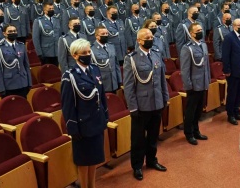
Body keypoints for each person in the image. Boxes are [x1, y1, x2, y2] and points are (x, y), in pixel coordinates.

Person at [60, 39, 109, 188]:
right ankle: (84, 186)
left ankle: (92, 185)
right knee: (83, 161)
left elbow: (101, 95)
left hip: (97, 122)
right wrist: (73, 128)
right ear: (75, 56)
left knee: (94, 158)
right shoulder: (70, 76)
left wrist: (105, 116)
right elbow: (67, 106)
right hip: (83, 126)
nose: (88, 55)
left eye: (89, 52)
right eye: (84, 53)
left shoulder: (95, 69)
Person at [123, 28, 169, 181]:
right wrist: (133, 107)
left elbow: (162, 80)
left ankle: (151, 160)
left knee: (153, 136)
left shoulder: (156, 54)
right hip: (141, 105)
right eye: (147, 37)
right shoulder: (132, 58)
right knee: (137, 139)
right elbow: (129, 86)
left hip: (156, 102)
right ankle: (137, 166)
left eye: (151, 36)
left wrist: (165, 98)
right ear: (139, 41)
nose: (151, 39)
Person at [179, 22, 210, 144]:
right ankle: (189, 133)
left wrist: (207, 80)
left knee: (198, 110)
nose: (200, 32)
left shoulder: (203, 44)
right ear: (191, 33)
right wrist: (188, 86)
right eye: (197, 31)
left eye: (201, 30)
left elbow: (206, 65)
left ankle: (196, 130)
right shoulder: (187, 48)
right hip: (193, 84)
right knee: (190, 111)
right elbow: (185, 69)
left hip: (202, 82)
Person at [222, 19, 240, 124]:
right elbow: (225, 56)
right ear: (234, 26)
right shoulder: (229, 38)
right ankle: (230, 114)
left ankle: (237, 112)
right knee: (232, 93)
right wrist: (227, 70)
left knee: (239, 93)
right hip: (233, 71)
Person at [0, 24, 32, 98]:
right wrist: (1, 88)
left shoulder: (21, 45)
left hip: (23, 82)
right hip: (9, 84)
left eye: (14, 31)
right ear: (4, 33)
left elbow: (26, 65)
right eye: (10, 31)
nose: (13, 33)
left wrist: (29, 82)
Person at [90, 26, 122, 93]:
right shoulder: (92, 49)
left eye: (107, 33)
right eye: (103, 34)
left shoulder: (111, 46)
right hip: (102, 83)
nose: (106, 35)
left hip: (114, 82)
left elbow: (116, 65)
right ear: (97, 36)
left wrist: (119, 80)